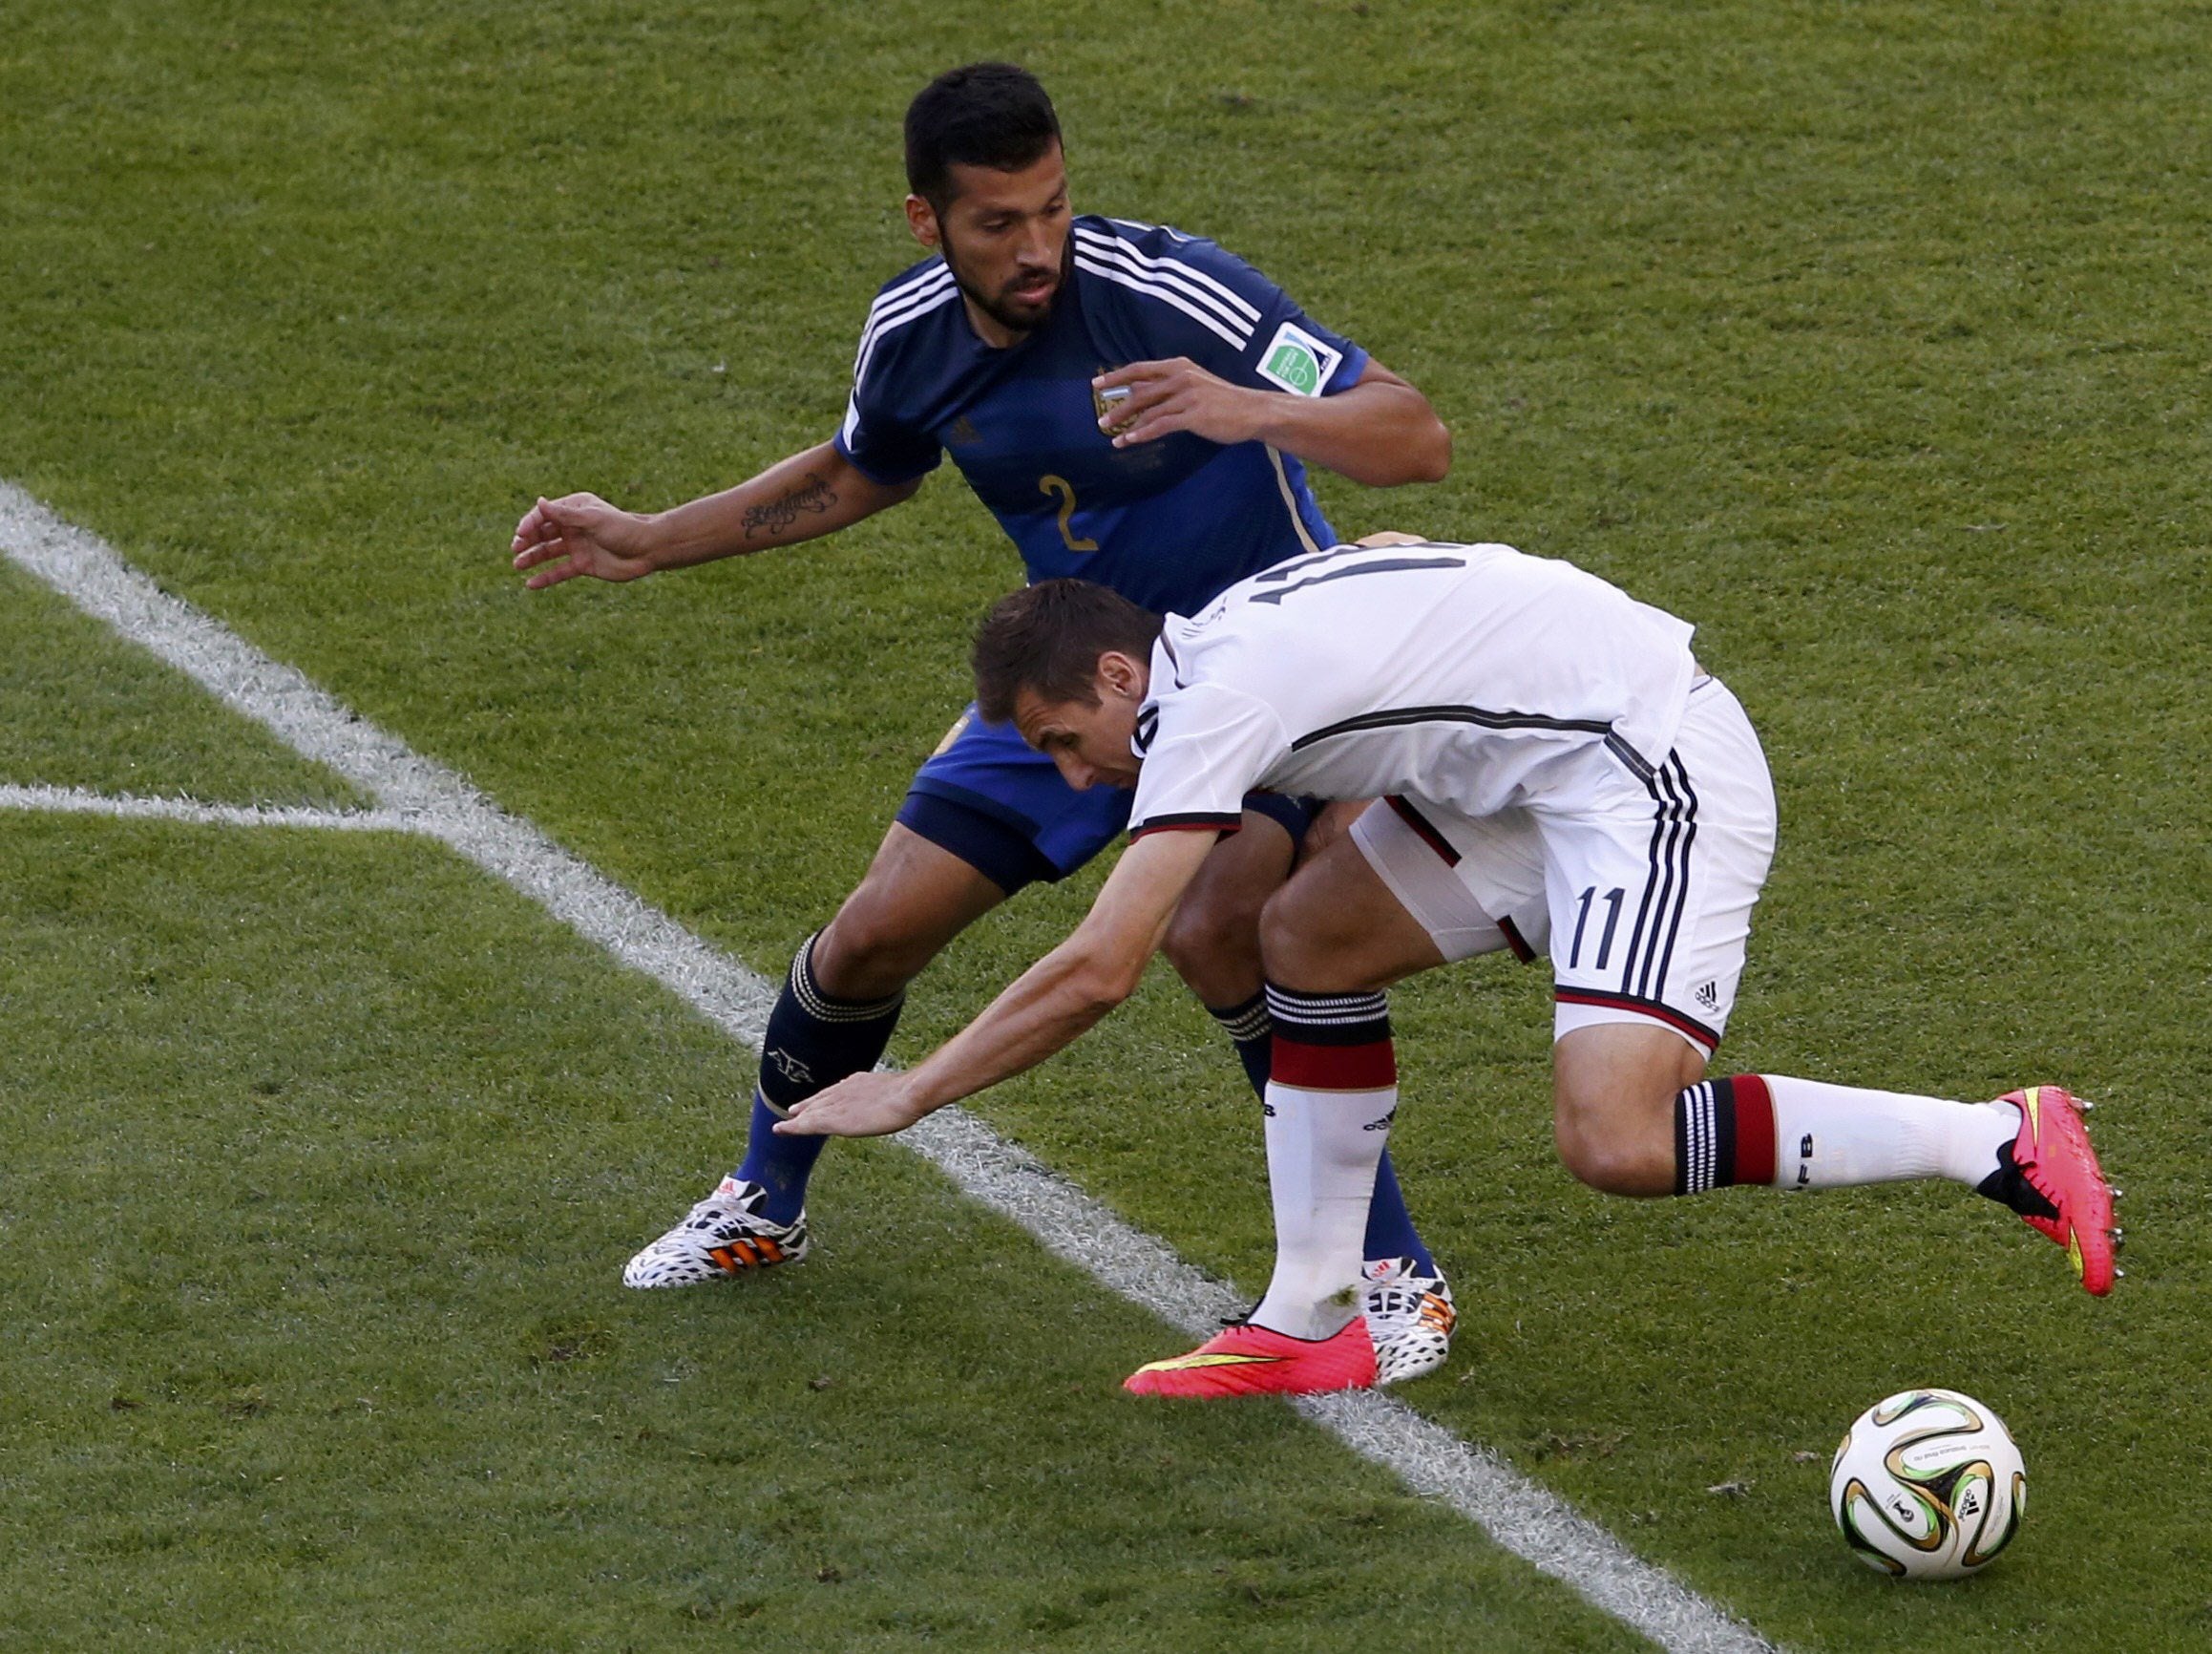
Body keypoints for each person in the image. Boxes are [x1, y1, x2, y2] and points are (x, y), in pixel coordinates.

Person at [510, 65, 1464, 1378]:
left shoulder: (1173, 291)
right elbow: (861, 470)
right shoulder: (911, 336)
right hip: (1078, 685)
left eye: (1053, 209)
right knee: (869, 936)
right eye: (998, 225)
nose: (1036, 249)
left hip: (1262, 681)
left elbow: (1411, 436)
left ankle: (1384, 1264)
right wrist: (647, 540)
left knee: (1217, 930)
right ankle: (761, 1202)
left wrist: (1246, 408)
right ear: (926, 223)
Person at [775, 538, 2120, 1397]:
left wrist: (912, 1090)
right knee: (1299, 937)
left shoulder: (1207, 703)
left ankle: (1992, 1140)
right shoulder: (1225, 630)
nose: (1077, 774)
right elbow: (1394, 553)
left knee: (1615, 1137)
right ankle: (1317, 1310)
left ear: (1122, 675)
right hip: (1541, 768)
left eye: (1071, 739)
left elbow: (1099, 967)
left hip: (1645, 770)